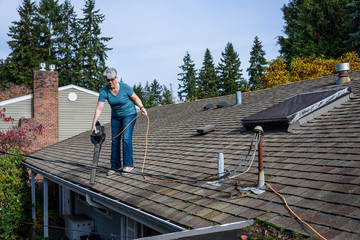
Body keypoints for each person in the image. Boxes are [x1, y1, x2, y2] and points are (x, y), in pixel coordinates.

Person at [92, 67, 148, 176]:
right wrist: (94, 124)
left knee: (126, 138)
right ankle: (115, 165)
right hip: (116, 117)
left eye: (112, 79)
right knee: (115, 140)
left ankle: (128, 165)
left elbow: (136, 98)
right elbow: (99, 108)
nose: (110, 82)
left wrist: (142, 108)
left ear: (116, 78)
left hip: (129, 114)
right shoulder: (104, 91)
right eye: (108, 80)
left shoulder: (124, 87)